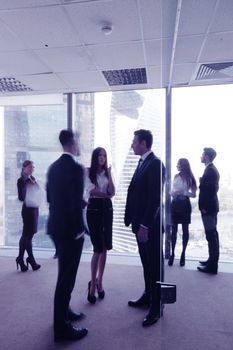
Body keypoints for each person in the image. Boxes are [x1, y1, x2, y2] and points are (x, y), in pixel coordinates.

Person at [46, 129, 88, 342]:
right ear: (72, 142)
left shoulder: (53, 167)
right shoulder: (76, 168)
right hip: (71, 231)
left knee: (64, 275)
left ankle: (65, 311)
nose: (80, 144)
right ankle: (61, 328)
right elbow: (73, 204)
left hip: (55, 228)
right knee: (66, 278)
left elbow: (50, 197)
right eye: (78, 141)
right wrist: (80, 230)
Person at [124, 129, 165, 327]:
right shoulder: (142, 163)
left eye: (134, 142)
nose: (132, 145)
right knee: (146, 264)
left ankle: (156, 308)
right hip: (139, 225)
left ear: (144, 144)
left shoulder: (156, 163)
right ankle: (148, 295)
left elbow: (155, 198)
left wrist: (144, 225)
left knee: (154, 266)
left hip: (148, 227)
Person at [85, 147, 115, 304]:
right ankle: (91, 285)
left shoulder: (107, 173)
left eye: (104, 155)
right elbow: (91, 191)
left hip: (107, 210)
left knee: (105, 247)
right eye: (99, 155)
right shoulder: (87, 171)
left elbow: (113, 191)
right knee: (97, 247)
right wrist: (106, 194)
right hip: (94, 209)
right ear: (95, 157)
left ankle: (100, 281)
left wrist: (109, 174)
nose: (102, 158)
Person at [168, 158, 197, 267]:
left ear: (183, 165)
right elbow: (171, 190)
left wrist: (183, 192)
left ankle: (183, 254)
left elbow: (194, 194)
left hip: (184, 204)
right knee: (173, 230)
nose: (177, 166)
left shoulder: (190, 178)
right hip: (175, 204)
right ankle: (172, 254)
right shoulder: (176, 176)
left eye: (178, 164)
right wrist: (173, 193)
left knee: (185, 231)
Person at [197, 147, 220, 275]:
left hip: (208, 209)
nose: (201, 156)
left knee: (211, 236)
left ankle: (212, 267)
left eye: (202, 154)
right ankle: (211, 261)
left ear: (206, 156)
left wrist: (204, 207)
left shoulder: (211, 170)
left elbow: (210, 191)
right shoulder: (210, 169)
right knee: (211, 235)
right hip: (210, 208)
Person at [16, 160, 41, 272]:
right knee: (27, 236)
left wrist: (35, 186)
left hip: (34, 209)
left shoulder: (33, 179)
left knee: (27, 235)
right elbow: (21, 198)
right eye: (30, 167)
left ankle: (21, 259)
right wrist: (27, 185)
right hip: (27, 211)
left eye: (33, 167)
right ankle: (31, 260)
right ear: (24, 168)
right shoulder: (21, 181)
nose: (32, 169)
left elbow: (38, 192)